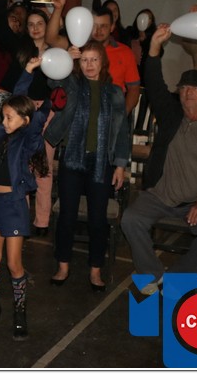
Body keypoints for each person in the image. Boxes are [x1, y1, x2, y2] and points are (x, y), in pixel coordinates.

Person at [120, 25, 197, 295]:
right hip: (159, 197)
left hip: (196, 202)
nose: (188, 93)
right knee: (130, 219)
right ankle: (152, 274)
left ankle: (176, 278)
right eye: (184, 88)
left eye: (195, 89)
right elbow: (154, 84)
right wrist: (154, 48)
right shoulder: (171, 115)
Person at [43, 42, 129, 292]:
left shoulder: (114, 92)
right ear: (78, 63)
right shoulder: (72, 84)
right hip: (72, 159)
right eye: (84, 60)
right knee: (67, 215)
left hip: (101, 162)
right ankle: (63, 265)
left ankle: (95, 269)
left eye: (94, 60)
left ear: (103, 63)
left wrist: (120, 165)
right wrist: (65, 61)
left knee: (98, 219)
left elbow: (122, 130)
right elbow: (52, 82)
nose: (89, 65)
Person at [0, 56, 49, 337]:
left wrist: (28, 76)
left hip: (14, 204)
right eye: (3, 116)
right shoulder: (0, 134)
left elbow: (30, 110)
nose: (4, 121)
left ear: (24, 121)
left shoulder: (28, 139)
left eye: (9, 118)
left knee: (13, 263)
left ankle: (20, 311)